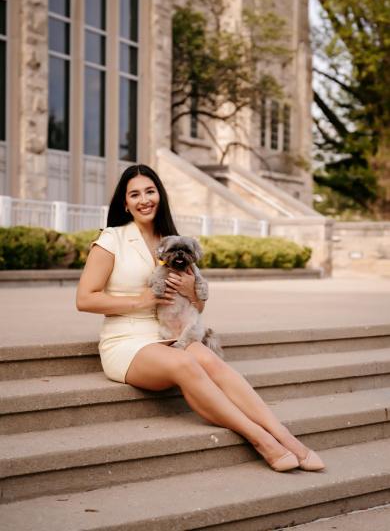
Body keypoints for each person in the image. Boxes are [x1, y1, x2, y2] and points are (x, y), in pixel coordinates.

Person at [76, 164, 325, 473]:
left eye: (150, 191)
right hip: (127, 342)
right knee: (185, 363)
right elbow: (84, 299)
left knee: (211, 361)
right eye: (135, 194)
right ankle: (261, 439)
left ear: (160, 195)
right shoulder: (111, 239)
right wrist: (140, 300)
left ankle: (287, 438)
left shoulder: (175, 242)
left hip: (170, 332)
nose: (144, 200)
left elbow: (197, 308)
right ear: (124, 203)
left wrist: (193, 291)